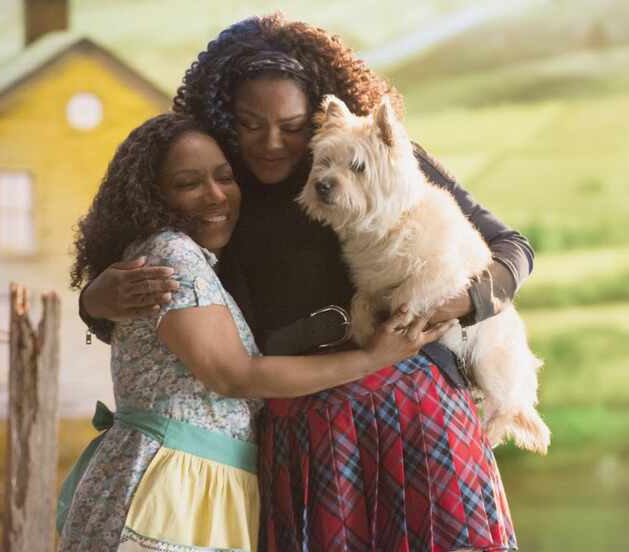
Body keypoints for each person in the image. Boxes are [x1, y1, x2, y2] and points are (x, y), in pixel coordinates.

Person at [80, 14, 533, 551]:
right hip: (299, 422)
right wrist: (94, 304)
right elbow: (174, 312)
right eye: (250, 125)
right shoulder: (217, 190)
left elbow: (514, 250)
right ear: (227, 119)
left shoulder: (375, 159)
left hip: (411, 403)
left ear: (319, 118)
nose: (272, 143)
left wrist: (466, 302)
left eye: (293, 128)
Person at [59, 112, 449, 552]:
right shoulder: (172, 254)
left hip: (195, 481)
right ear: (153, 198)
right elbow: (233, 375)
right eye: (189, 184)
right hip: (169, 484)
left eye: (224, 177)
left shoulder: (189, 258)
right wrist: (372, 359)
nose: (216, 196)